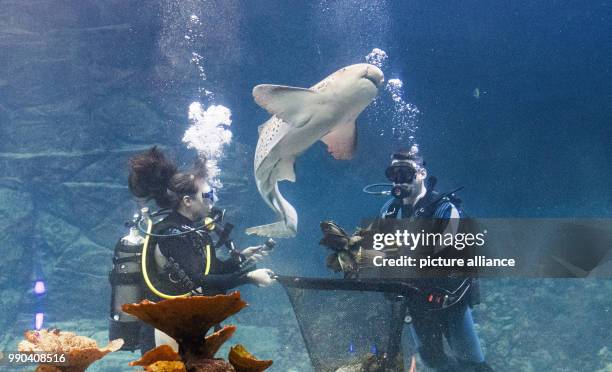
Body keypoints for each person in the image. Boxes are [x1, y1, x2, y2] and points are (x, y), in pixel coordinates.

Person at [127, 146, 275, 353]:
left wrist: (241, 258)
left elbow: (213, 270)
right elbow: (199, 280)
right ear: (187, 201)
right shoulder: (170, 233)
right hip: (164, 330)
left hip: (185, 324)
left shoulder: (195, 231)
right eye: (207, 194)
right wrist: (249, 277)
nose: (213, 200)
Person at [380, 148, 493, 372]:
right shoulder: (389, 211)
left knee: (472, 365)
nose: (398, 181)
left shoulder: (444, 208)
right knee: (433, 360)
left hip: (450, 301)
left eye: (404, 173)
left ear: (421, 173)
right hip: (415, 302)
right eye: (393, 174)